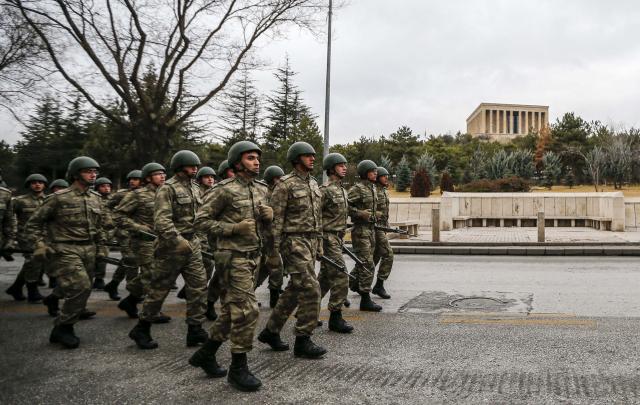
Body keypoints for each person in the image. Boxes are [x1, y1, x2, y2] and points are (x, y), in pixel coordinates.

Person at [192, 141, 270, 391]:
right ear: (237, 162)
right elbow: (200, 222)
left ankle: (206, 353)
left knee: (230, 310)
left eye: (257, 157)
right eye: (250, 158)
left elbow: (263, 225)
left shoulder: (261, 189)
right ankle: (238, 368)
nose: (256, 161)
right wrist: (233, 228)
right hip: (231, 256)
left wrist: (268, 216)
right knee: (248, 310)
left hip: (253, 256)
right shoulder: (223, 190)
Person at [25, 156, 110, 348]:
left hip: (89, 249)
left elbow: (101, 227)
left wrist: (102, 247)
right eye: (88, 171)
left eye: (95, 171)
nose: (93, 174)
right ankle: (63, 328)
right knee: (80, 287)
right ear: (75, 174)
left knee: (79, 288)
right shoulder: (58, 198)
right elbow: (33, 224)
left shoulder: (95, 198)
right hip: (65, 249)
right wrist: (39, 245)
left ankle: (54, 300)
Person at [129, 150, 208, 350]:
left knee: (198, 288)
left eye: (196, 166)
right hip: (170, 248)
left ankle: (195, 329)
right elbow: (161, 220)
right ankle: (142, 328)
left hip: (193, 245)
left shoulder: (196, 188)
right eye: (191, 166)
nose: (195, 169)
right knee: (159, 290)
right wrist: (176, 239)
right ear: (180, 167)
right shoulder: (167, 189)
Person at [258, 142, 326, 359]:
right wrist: (273, 251)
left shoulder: (314, 184)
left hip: (310, 240)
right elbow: (275, 221)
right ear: (297, 159)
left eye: (313, 156)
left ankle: (270, 331)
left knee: (294, 291)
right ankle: (302, 340)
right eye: (308, 156)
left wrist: (320, 243)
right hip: (293, 242)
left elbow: (319, 218)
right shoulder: (284, 185)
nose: (313, 159)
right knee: (311, 289)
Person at [114, 163, 170, 324]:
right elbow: (118, 216)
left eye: (163, 174)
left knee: (150, 274)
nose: (162, 176)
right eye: (158, 174)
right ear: (148, 178)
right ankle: (153, 311)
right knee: (152, 274)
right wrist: (139, 227)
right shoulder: (138, 195)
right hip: (143, 241)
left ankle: (130, 301)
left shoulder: (165, 193)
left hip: (161, 240)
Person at [318, 153, 353, 333]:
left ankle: (307, 312)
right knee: (341, 275)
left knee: (324, 280)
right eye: (340, 165)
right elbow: (315, 216)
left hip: (337, 238)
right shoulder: (324, 191)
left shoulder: (342, 190)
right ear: (331, 169)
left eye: (345, 165)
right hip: (327, 238)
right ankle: (335, 317)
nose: (344, 168)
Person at [6, 174, 48, 302]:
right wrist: (11, 237)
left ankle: (16, 287)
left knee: (35, 262)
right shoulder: (19, 201)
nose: (37, 184)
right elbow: (9, 217)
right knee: (33, 261)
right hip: (25, 236)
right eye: (34, 182)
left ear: (44, 185)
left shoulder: (49, 200)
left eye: (40, 182)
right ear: (29, 185)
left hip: (44, 236)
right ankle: (32, 292)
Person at [348, 160, 382, 312]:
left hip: (371, 230)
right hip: (360, 231)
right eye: (372, 171)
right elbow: (345, 206)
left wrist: (375, 215)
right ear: (364, 173)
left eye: (376, 171)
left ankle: (351, 283)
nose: (376, 173)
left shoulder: (373, 188)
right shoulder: (357, 189)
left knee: (364, 263)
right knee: (367, 264)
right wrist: (359, 214)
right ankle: (365, 299)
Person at [103, 170, 143, 300]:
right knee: (132, 261)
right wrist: (109, 220)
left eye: (136, 179)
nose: (132, 181)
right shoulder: (122, 194)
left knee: (127, 260)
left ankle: (113, 284)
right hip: (124, 232)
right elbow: (106, 207)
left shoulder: (146, 194)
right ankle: (133, 293)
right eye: (130, 179)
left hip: (139, 232)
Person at [254, 165, 285, 308]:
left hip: (274, 238)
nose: (279, 181)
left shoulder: (282, 191)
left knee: (276, 269)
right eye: (277, 178)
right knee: (256, 269)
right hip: (261, 237)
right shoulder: (262, 191)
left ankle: (274, 297)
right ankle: (248, 295)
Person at [372, 167, 394, 299]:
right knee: (388, 254)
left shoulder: (384, 191)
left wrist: (388, 226)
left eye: (387, 175)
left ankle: (354, 282)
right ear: (378, 177)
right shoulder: (373, 191)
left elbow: (385, 212)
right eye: (383, 176)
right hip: (375, 228)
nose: (386, 178)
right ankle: (379, 285)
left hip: (382, 227)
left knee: (374, 257)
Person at [92, 177, 113, 290]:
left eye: (108, 186)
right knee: (92, 257)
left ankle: (99, 279)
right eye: (103, 186)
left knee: (102, 256)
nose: (106, 188)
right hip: (96, 232)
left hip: (110, 232)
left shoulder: (114, 200)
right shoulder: (94, 199)